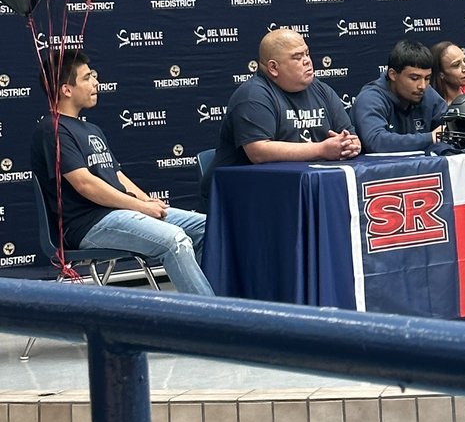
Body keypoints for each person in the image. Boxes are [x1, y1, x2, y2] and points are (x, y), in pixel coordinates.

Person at [31, 49, 213, 296]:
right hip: (89, 225)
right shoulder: (51, 130)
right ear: (66, 89)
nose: (96, 82)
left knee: (208, 227)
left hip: (120, 214)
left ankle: (221, 303)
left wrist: (145, 199)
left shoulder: (90, 128)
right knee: (174, 240)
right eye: (87, 78)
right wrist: (140, 207)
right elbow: (85, 184)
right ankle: (209, 322)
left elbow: (116, 175)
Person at [202, 29, 360, 200]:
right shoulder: (253, 95)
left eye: (307, 53)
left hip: (299, 188)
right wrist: (322, 149)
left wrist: (350, 145)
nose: (307, 61)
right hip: (242, 196)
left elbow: (349, 135)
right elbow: (258, 151)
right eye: (297, 57)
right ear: (273, 68)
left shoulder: (321, 90)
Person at [352, 40, 447, 152]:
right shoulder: (370, 98)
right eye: (414, 78)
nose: (422, 86)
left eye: (427, 78)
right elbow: (376, 141)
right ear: (393, 75)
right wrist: (430, 138)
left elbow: (449, 126)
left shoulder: (427, 93)